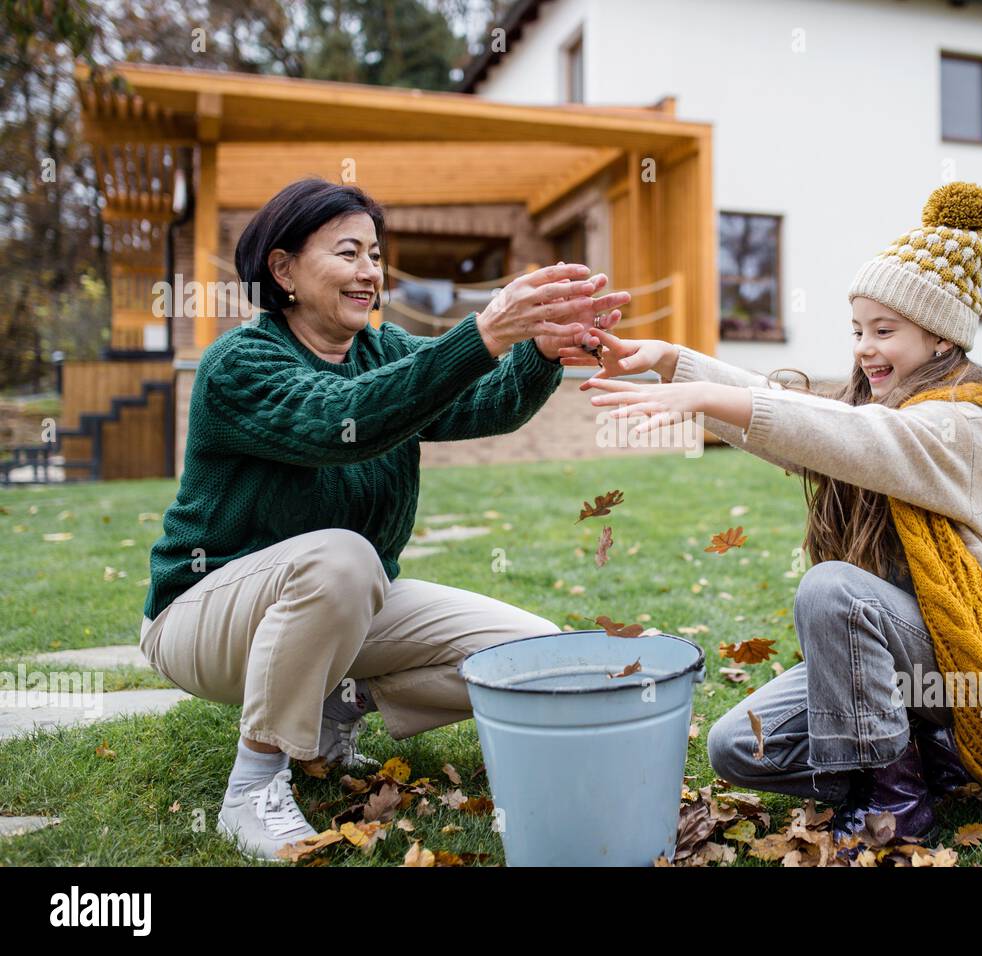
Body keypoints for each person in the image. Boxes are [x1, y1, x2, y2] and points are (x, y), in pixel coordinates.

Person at [137, 177, 629, 861]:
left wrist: (538, 353)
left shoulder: (384, 350)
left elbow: (483, 406)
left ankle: (336, 700)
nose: (370, 271)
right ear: (283, 269)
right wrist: (482, 332)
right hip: (204, 619)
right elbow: (347, 422)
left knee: (531, 656)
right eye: (347, 253)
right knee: (342, 557)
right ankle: (253, 786)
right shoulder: (240, 364)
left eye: (375, 253)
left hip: (337, 606)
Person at [565, 182, 982, 847]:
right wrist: (674, 364)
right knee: (737, 749)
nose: (866, 347)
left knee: (832, 588)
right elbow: (817, 421)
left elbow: (842, 436)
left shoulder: (960, 425)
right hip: (894, 650)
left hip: (973, 656)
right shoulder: (883, 410)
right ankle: (928, 761)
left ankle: (896, 803)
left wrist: (704, 397)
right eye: (859, 330)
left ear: (939, 337)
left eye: (885, 331)